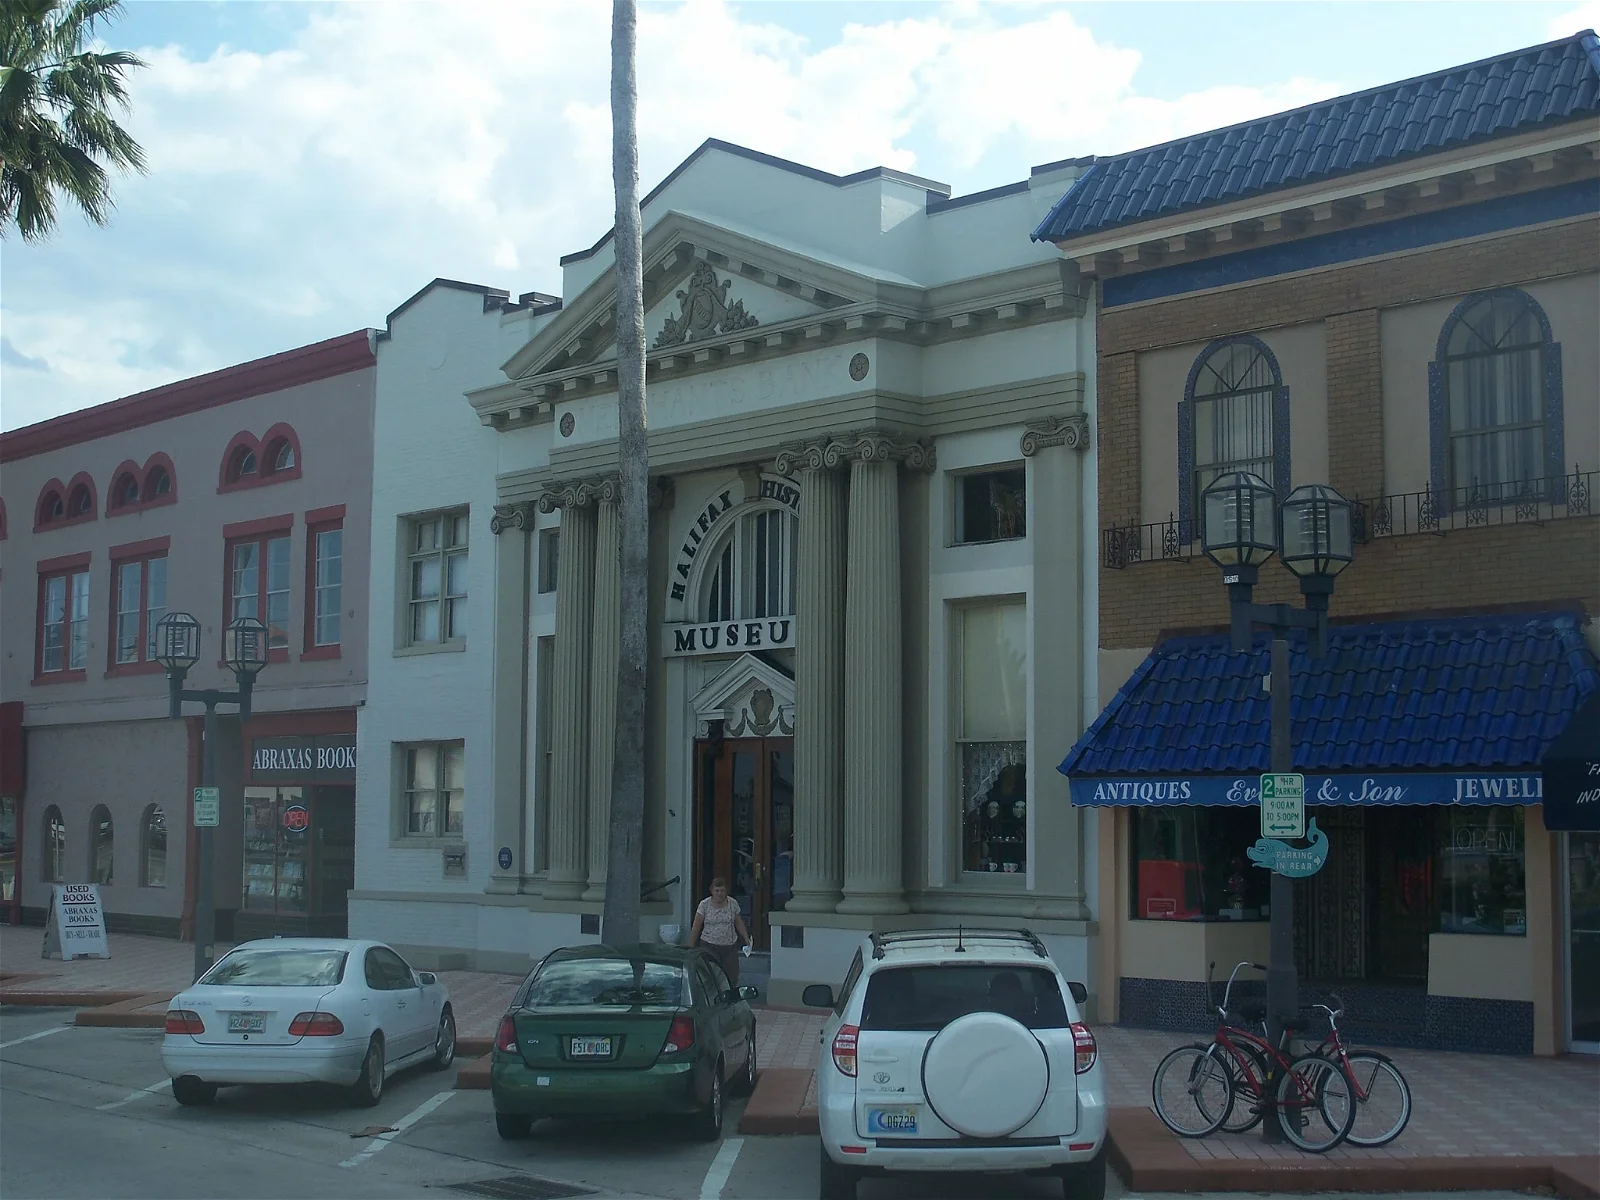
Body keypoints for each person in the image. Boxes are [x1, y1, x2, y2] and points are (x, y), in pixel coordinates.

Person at [689, 877, 750, 985]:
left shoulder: (733, 903)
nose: (719, 893)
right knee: (710, 976)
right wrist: (691, 946)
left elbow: (738, 922)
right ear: (712, 891)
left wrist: (746, 938)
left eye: (722, 890)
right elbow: (696, 926)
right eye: (717, 891)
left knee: (732, 977)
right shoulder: (704, 905)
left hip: (729, 947)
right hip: (709, 945)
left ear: (726, 891)